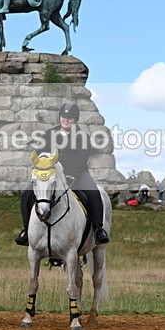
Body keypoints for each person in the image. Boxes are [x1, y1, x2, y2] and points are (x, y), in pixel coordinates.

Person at [15, 101, 110, 246]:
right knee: (26, 195)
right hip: (52, 175)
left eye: (70, 118)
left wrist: (73, 174)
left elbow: (81, 158)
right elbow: (41, 154)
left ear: (75, 120)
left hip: (76, 175)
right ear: (59, 118)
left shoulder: (82, 136)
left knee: (94, 193)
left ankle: (98, 229)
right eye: (63, 117)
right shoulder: (49, 134)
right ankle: (26, 231)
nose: (66, 120)